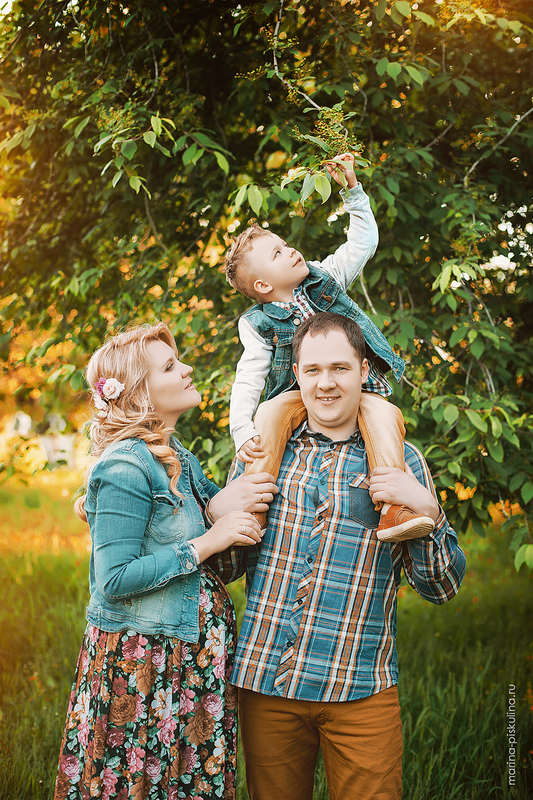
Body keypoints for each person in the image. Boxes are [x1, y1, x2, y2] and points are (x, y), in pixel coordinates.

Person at [212, 313, 467, 800]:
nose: (325, 383)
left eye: (339, 368)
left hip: (360, 685)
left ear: (364, 371)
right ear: (297, 375)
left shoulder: (402, 461)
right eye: (312, 370)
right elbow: (225, 570)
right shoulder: (262, 454)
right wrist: (218, 514)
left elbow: (442, 588)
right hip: (268, 683)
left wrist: (430, 513)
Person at [53, 323, 277, 800]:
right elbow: (114, 579)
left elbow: (219, 536)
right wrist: (207, 541)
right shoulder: (125, 466)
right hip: (144, 662)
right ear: (140, 392)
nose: (187, 369)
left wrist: (228, 508)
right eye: (171, 366)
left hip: (189, 658)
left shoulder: (179, 459)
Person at [224, 153, 433, 542]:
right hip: (299, 396)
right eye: (277, 254)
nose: (291, 251)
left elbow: (363, 243)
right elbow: (248, 377)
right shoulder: (258, 324)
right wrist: (241, 428)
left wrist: (351, 190)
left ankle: (395, 509)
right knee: (268, 415)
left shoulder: (325, 277)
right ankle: (250, 506)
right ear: (264, 286)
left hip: (353, 389)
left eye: (285, 244)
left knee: (385, 417)